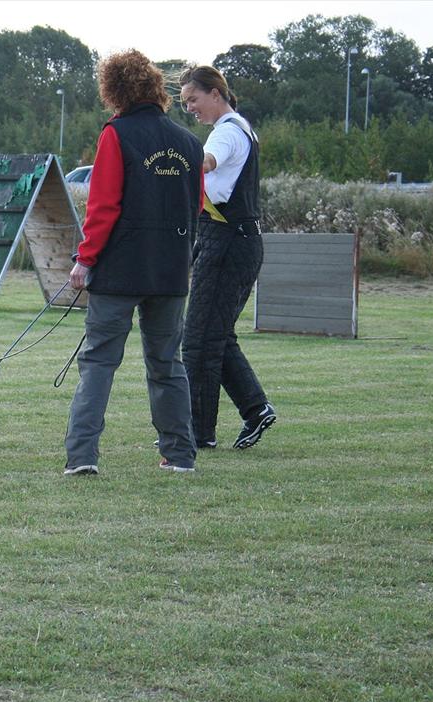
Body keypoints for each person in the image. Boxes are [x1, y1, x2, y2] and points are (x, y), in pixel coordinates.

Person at [64, 50, 204, 476]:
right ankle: (179, 455)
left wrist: (84, 260)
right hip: (170, 271)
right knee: (167, 364)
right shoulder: (189, 143)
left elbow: (103, 206)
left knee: (99, 363)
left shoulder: (116, 134)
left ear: (114, 91)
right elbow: (194, 206)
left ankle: (82, 457)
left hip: (119, 271)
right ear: (157, 88)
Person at [178, 65, 276, 451]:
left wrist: (171, 161)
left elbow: (207, 162)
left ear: (215, 93)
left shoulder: (228, 133)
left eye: (193, 100)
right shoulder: (242, 128)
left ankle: (198, 432)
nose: (190, 109)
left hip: (228, 242)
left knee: (198, 340)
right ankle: (255, 409)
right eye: (185, 103)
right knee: (214, 335)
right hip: (235, 240)